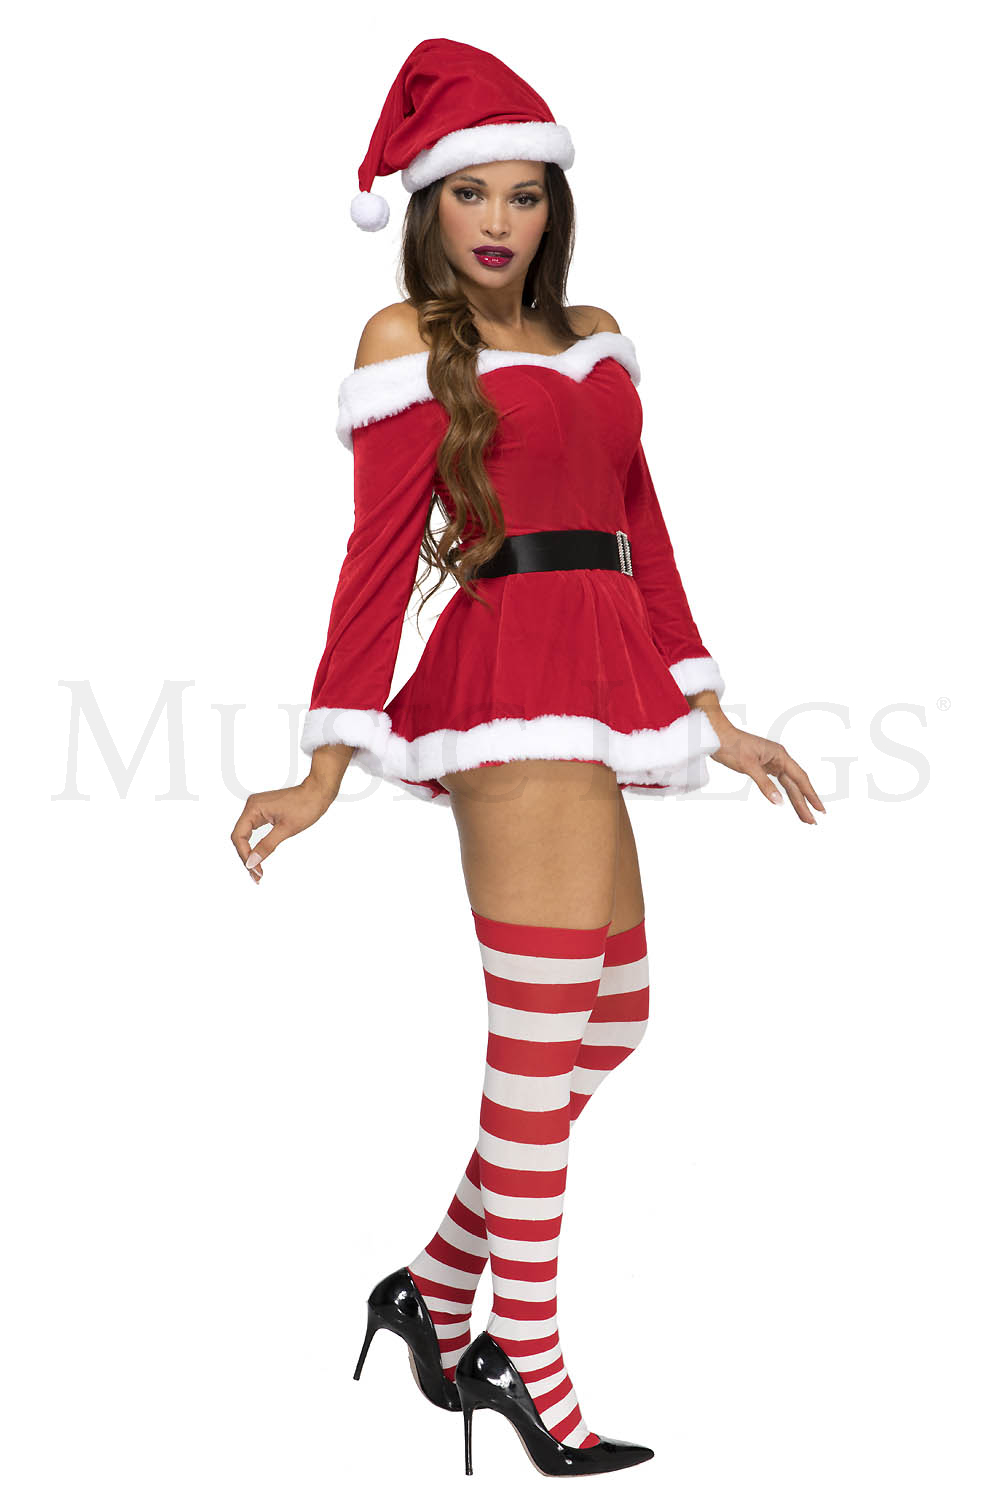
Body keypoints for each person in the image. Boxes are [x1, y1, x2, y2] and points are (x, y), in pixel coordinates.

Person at [230, 37, 825, 1478]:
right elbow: (376, 561)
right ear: (427, 207)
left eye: (524, 194)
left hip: (609, 679)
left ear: (556, 206)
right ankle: (527, 1357)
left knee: (611, 1020)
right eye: (469, 194)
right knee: (539, 1037)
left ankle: (436, 1286)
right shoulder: (405, 345)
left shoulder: (597, 336)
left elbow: (643, 527)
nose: (497, 222)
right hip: (508, 685)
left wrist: (713, 709)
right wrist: (326, 761)